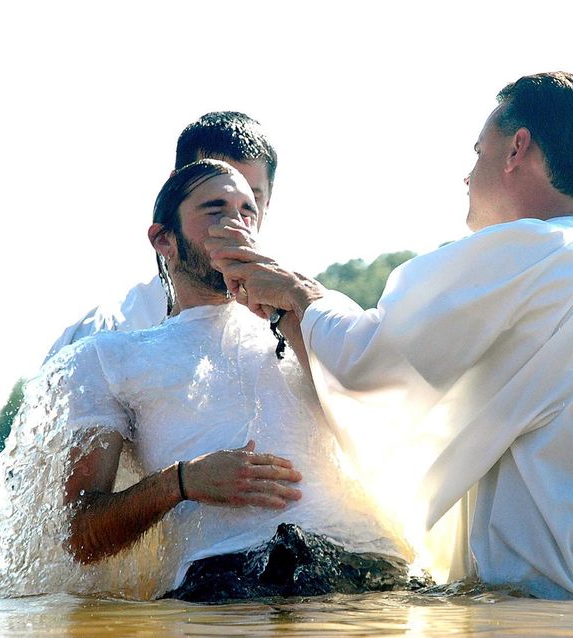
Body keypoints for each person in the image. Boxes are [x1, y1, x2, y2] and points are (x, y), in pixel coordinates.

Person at [209, 72, 573, 600]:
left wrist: (299, 293)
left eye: (477, 151)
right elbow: (405, 390)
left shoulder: (543, 252)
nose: (467, 175)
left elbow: (376, 362)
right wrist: (290, 313)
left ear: (516, 149)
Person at [55, 159, 414, 603]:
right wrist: (182, 482)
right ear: (163, 239)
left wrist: (291, 306)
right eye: (215, 209)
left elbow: (392, 425)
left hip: (369, 570)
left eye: (247, 211)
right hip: (227, 581)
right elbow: (81, 536)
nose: (237, 223)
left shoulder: (309, 317)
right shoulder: (108, 357)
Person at [45, 111, 278, 361]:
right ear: (174, 190)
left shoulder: (301, 329)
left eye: (249, 201)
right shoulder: (100, 337)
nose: (232, 222)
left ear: (266, 205)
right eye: (214, 202)